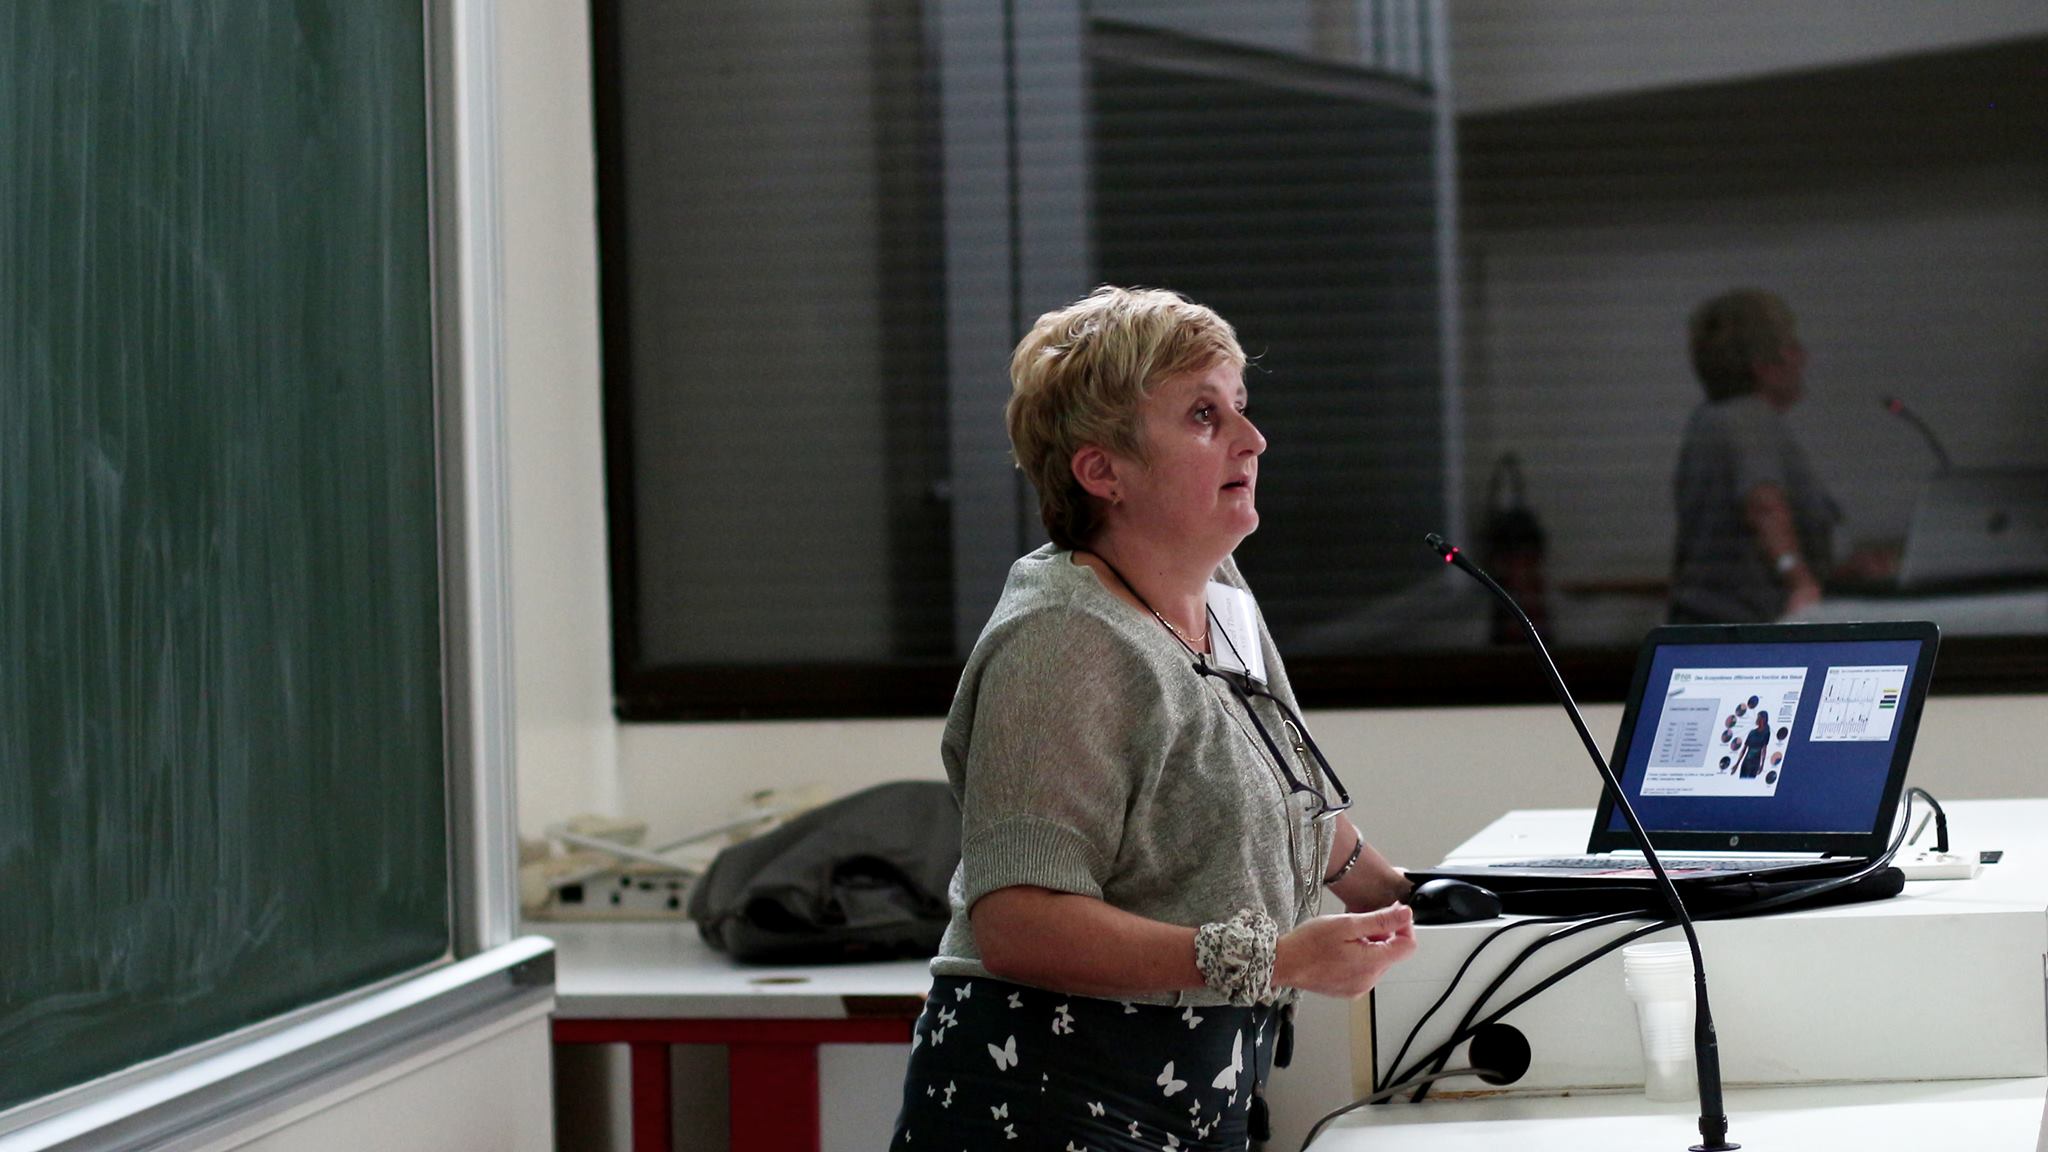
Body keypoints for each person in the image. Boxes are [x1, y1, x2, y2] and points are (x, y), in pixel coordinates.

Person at [891, 287, 1416, 1149]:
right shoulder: (1063, 638)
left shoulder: (1217, 594)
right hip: (1048, 1106)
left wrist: (1411, 899)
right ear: (1104, 473)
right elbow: (1019, 922)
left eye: (1240, 405)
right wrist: (1278, 959)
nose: (1253, 439)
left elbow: (1282, 804)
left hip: (1197, 1102)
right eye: (1205, 416)